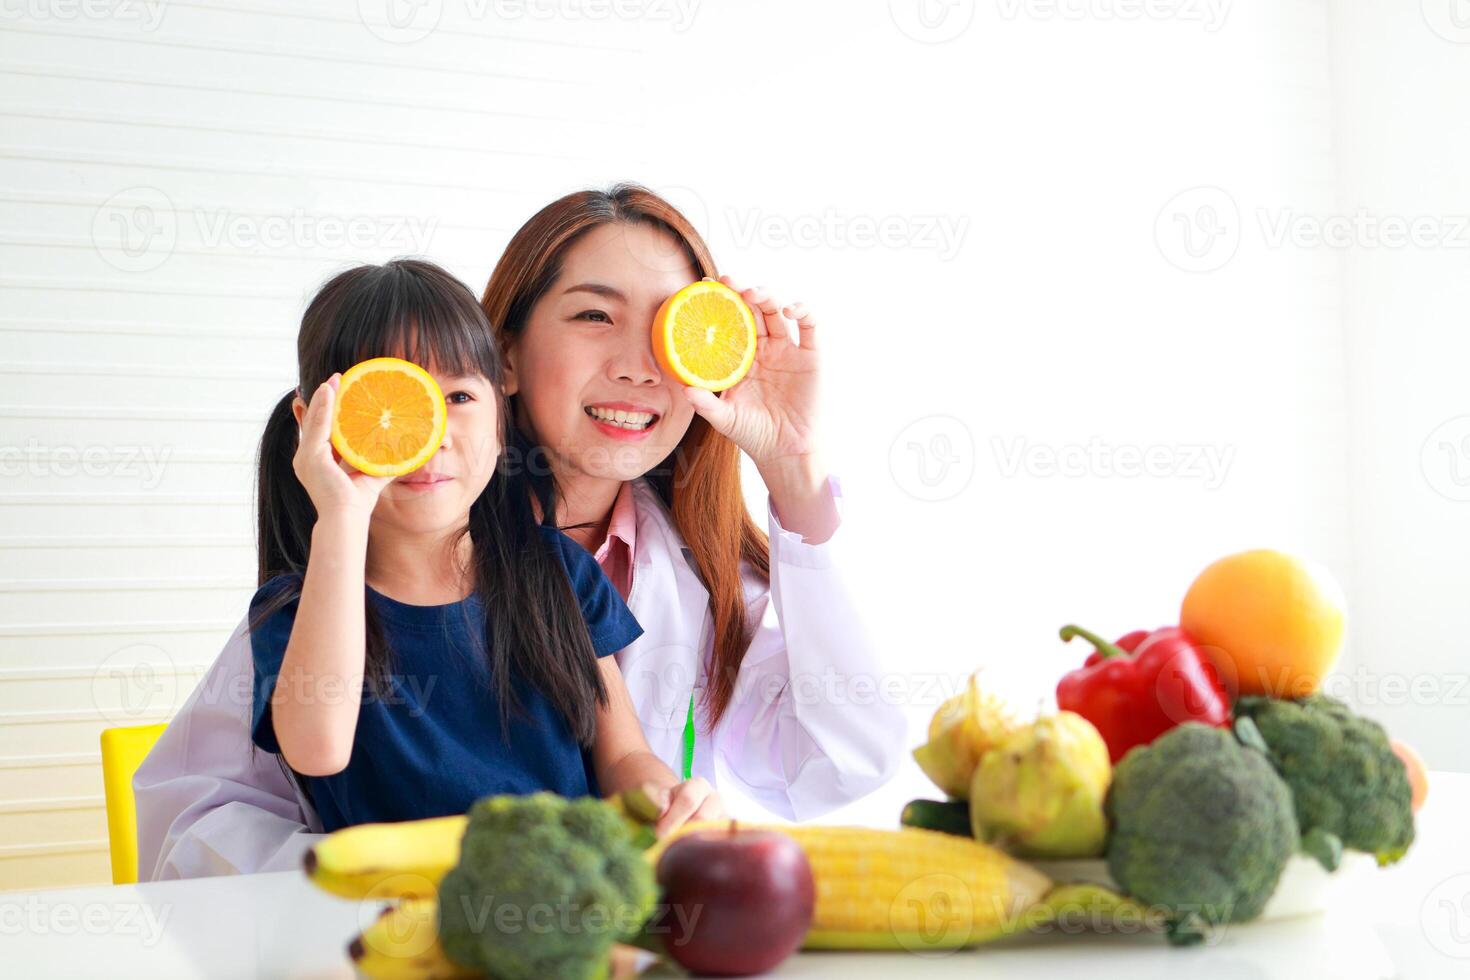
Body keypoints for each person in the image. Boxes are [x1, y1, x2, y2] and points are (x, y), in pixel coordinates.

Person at [134, 185, 905, 879]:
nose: (642, 366)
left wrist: (793, 469)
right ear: (507, 355)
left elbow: (840, 764)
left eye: (673, 327)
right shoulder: (343, 579)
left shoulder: (666, 573)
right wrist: (403, 885)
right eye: (595, 315)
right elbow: (197, 822)